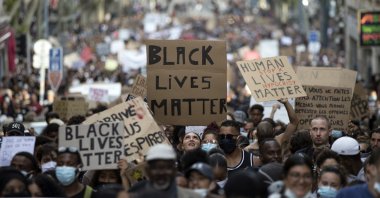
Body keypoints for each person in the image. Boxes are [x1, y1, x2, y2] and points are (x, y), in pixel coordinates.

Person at [128, 144, 201, 197]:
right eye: (155, 168)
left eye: (167, 168)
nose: (161, 173)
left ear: (174, 170)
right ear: (148, 170)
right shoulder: (134, 193)